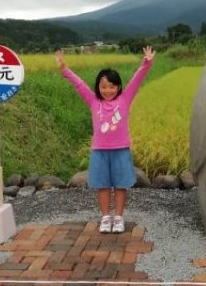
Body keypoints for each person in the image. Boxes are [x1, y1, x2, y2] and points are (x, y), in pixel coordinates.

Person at [55, 46, 155, 233]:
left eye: (111, 86)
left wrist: (146, 63)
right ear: (98, 88)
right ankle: (105, 218)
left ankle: (118, 218)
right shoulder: (94, 102)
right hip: (99, 151)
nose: (107, 90)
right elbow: (79, 85)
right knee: (102, 186)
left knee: (120, 186)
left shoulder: (125, 99)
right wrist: (64, 69)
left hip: (121, 150)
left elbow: (137, 80)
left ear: (118, 87)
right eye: (103, 87)